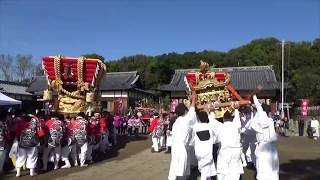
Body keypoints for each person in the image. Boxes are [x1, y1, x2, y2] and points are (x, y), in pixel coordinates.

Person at [247, 95, 279, 180]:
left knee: (262, 164)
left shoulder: (260, 118)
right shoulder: (270, 121)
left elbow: (258, 107)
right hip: (271, 146)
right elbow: (259, 107)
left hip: (262, 145)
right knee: (272, 164)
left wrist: (254, 97)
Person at [208, 107, 244, 180]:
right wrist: (236, 109)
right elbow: (237, 118)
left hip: (225, 151)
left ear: (223, 119)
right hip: (236, 151)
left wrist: (211, 111)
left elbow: (212, 121)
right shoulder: (236, 125)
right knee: (235, 171)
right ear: (231, 119)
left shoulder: (220, 126)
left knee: (223, 172)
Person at [168, 91, 196, 180]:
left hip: (175, 147)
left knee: (174, 167)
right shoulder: (186, 120)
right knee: (181, 168)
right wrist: (194, 98)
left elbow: (190, 111)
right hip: (181, 147)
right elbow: (192, 110)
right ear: (185, 111)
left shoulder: (176, 122)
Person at [192, 109, 218, 180]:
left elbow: (192, 140)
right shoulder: (210, 126)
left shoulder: (195, 127)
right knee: (205, 172)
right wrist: (211, 112)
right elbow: (215, 139)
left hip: (199, 153)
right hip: (208, 153)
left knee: (206, 170)